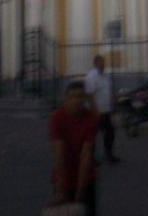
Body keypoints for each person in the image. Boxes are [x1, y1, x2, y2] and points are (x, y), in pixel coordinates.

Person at [49, 80, 99, 216]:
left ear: (85, 99)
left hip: (86, 181)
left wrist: (80, 190)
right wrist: (60, 190)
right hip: (63, 180)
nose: (76, 101)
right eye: (72, 97)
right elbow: (59, 155)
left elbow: (86, 155)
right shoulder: (57, 118)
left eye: (80, 96)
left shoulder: (90, 118)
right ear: (66, 99)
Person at [85, 55, 117, 163]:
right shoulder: (91, 76)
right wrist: (95, 111)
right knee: (92, 135)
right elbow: (89, 95)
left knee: (110, 132)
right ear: (95, 63)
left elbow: (110, 89)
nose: (103, 64)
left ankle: (108, 154)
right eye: (101, 62)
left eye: (103, 62)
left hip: (106, 110)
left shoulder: (105, 76)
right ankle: (90, 158)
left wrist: (112, 100)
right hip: (96, 111)